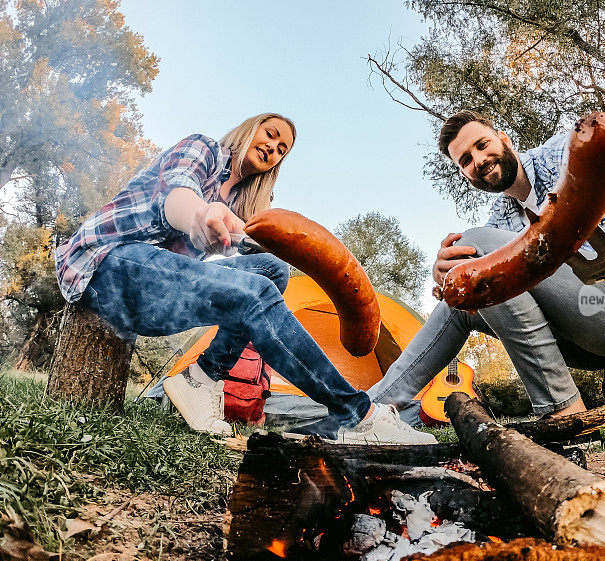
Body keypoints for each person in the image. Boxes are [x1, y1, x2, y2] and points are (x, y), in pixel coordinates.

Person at [55, 112, 435, 445]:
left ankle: (202, 377)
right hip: (105, 263)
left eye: (282, 148)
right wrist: (197, 216)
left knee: (273, 270)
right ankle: (356, 414)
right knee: (255, 294)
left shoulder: (239, 203)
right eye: (269, 134)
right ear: (249, 129)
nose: (273, 147)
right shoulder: (204, 148)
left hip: (158, 296)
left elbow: (252, 251)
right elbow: (177, 195)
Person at [368, 111, 605, 425]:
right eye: (466, 160)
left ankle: (560, 410)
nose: (478, 160)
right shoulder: (502, 220)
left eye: (482, 144)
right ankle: (371, 410)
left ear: (504, 138)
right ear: (464, 174)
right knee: (465, 300)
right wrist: (449, 283)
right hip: (587, 336)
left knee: (476, 249)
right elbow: (480, 287)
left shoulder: (559, 157)